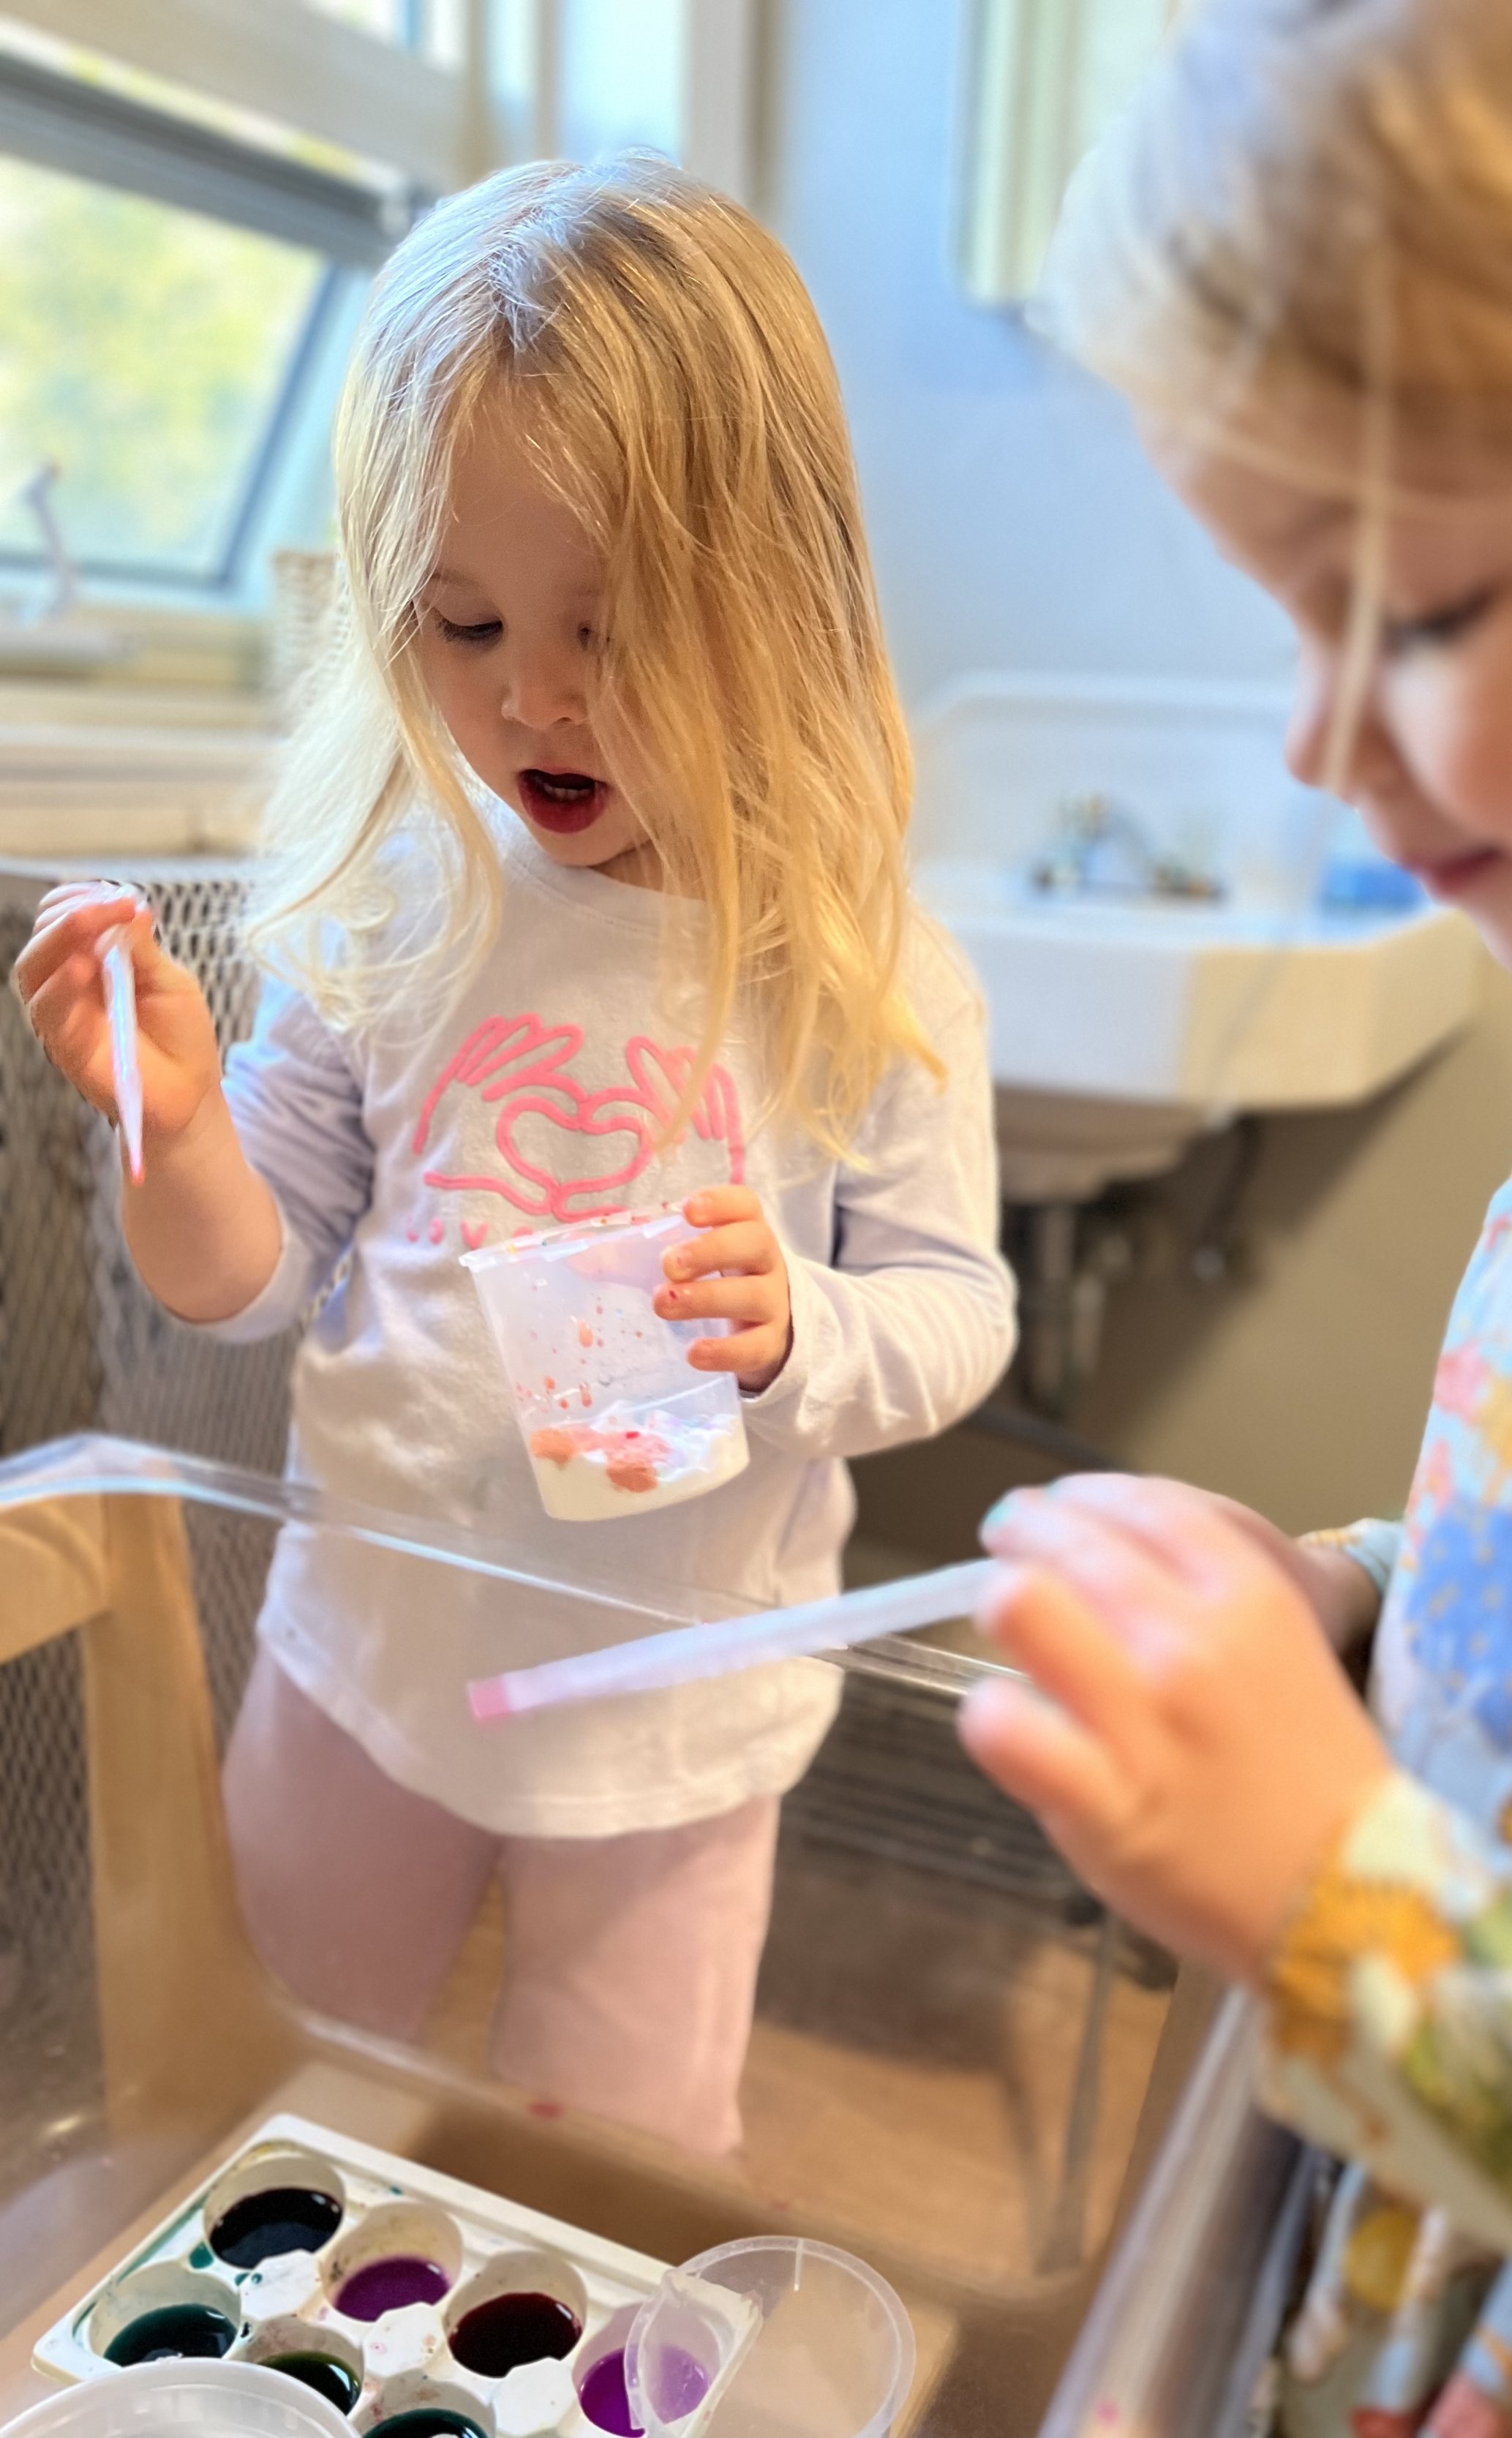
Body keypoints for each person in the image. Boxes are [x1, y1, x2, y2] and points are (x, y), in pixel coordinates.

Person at [956, 0, 1512, 2421]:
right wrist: (1342, 1595)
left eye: (1416, 610)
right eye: (1288, 609)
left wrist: (1352, 1910)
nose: (1314, 739)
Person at [16, 160, 1014, 2157]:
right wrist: (178, 1130)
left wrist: (795, 1334)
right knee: (264, 2096)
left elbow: (954, 1310)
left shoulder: (856, 965)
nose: (531, 697)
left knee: (618, 2161)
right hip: (367, 1652)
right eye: (461, 622)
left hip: (674, 1705)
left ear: (781, 612)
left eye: (611, 632)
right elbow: (243, 1281)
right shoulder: (406, 902)